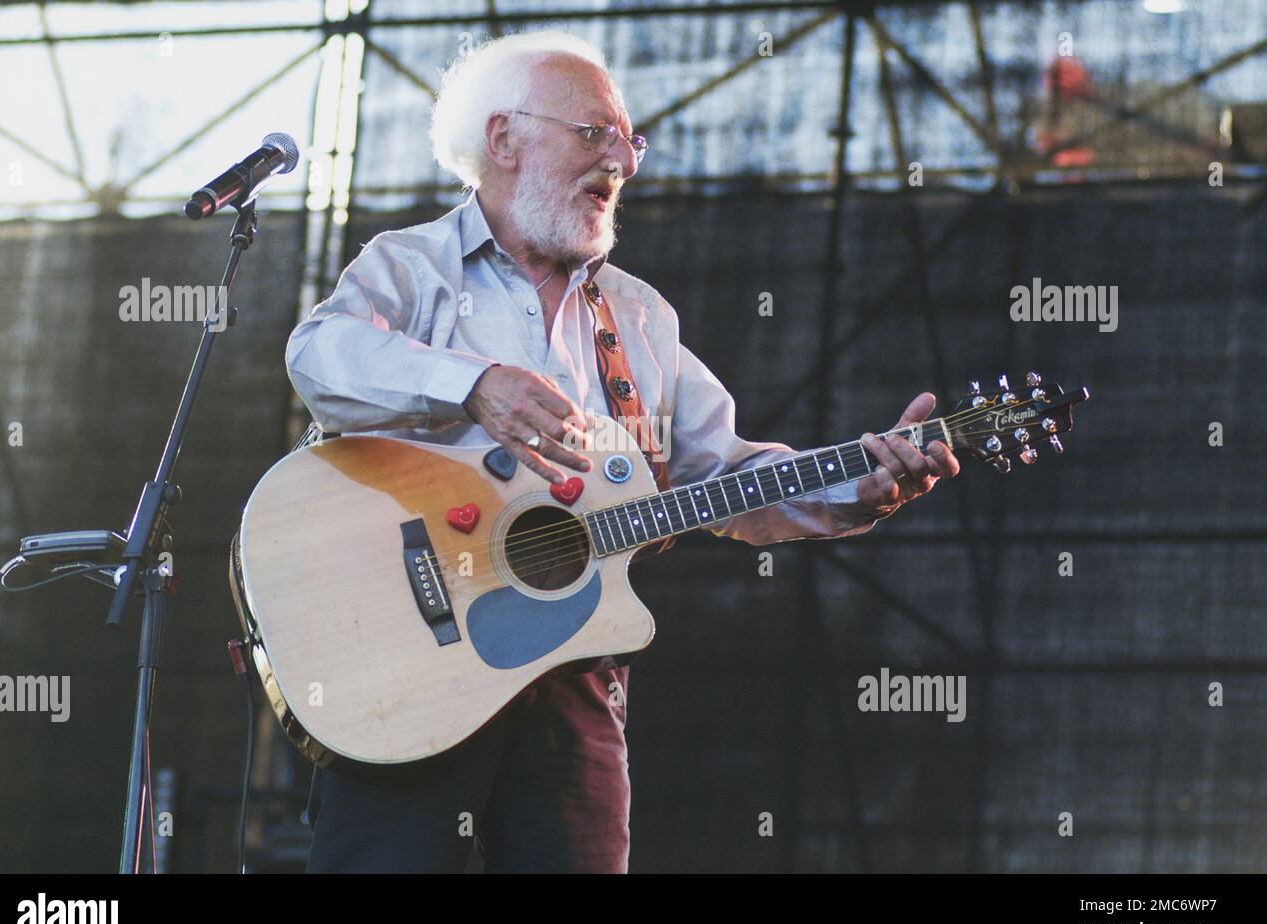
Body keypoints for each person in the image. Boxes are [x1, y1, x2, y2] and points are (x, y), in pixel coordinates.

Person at [286, 29, 960, 873]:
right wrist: (471, 383)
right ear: (504, 139)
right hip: (407, 669)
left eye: (629, 140)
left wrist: (861, 487)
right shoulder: (413, 266)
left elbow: (729, 476)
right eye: (594, 133)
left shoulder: (641, 319)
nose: (624, 163)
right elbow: (318, 358)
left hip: (574, 682)